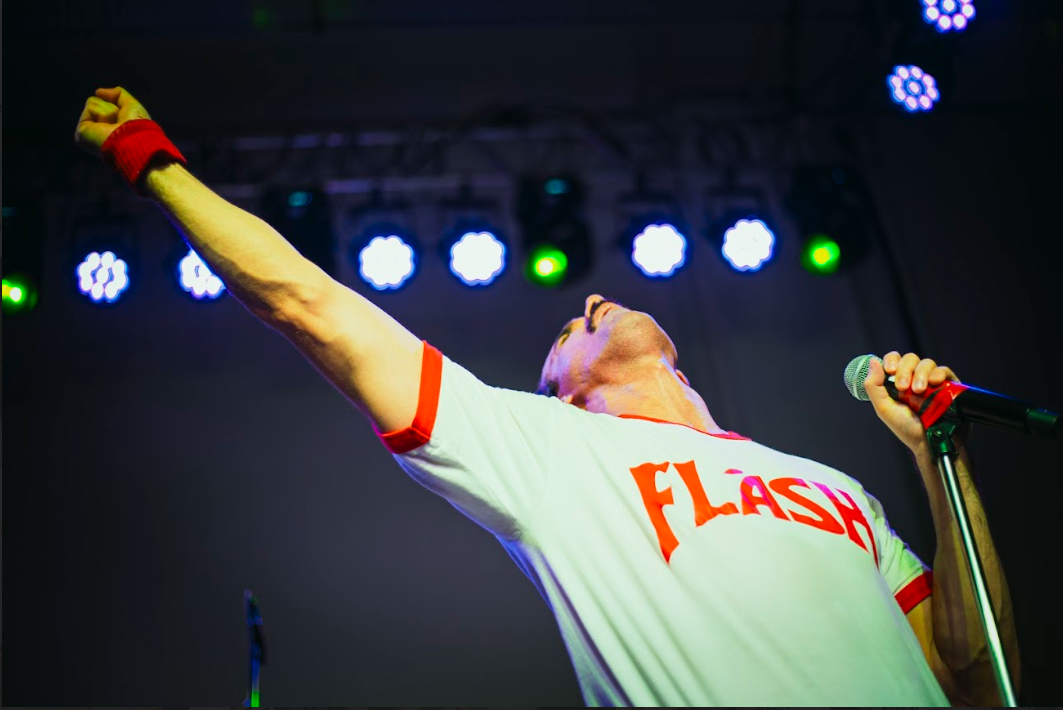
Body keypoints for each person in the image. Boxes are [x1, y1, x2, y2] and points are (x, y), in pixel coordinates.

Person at [75, 87, 1019, 706]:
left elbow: (976, 679)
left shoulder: (838, 490)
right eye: (566, 334)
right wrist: (152, 162)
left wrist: (939, 459)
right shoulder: (548, 456)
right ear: (560, 399)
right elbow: (309, 305)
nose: (589, 303)